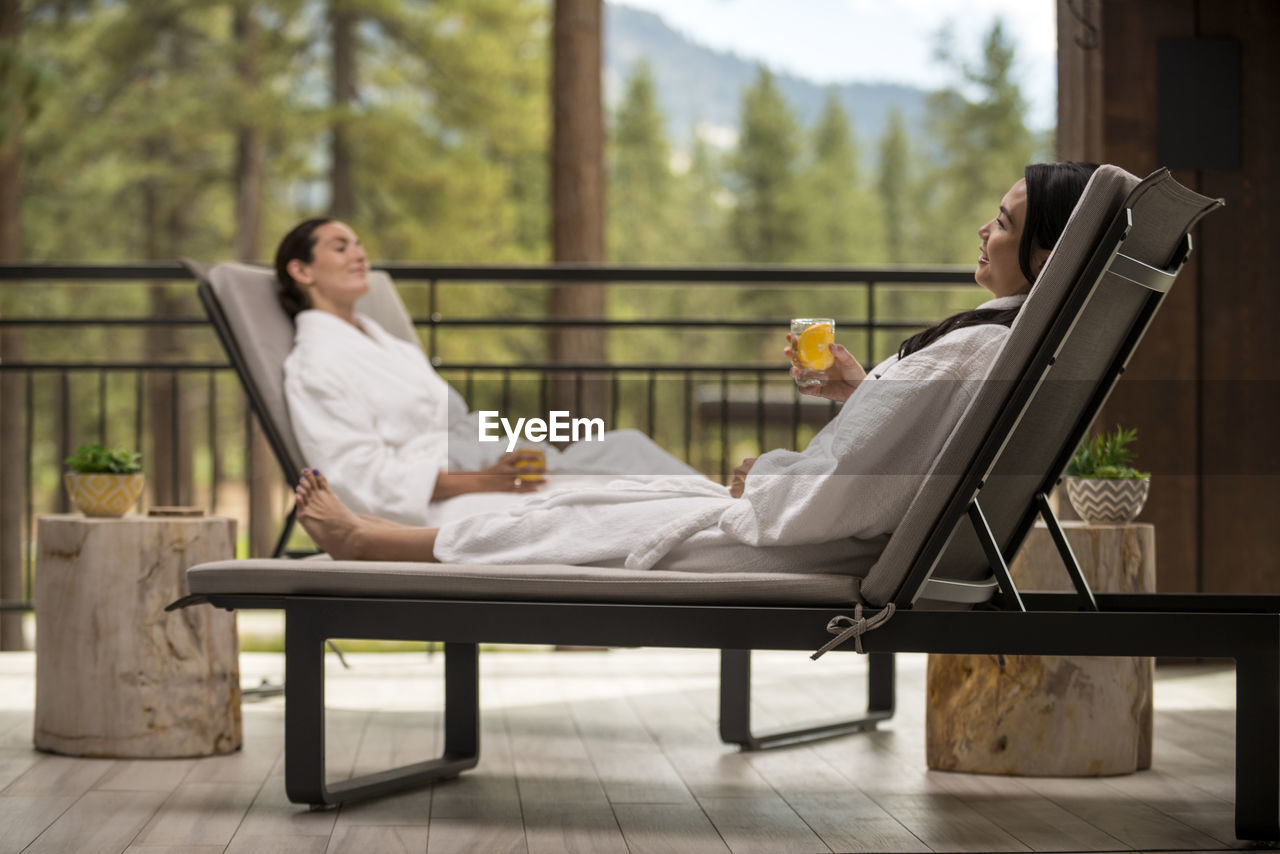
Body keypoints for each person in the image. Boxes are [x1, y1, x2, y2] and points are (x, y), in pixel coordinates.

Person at [292, 162, 1099, 572]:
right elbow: (887, 458)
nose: (984, 231)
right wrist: (857, 393)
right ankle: (386, 534)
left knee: (600, 493)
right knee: (607, 489)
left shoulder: (976, 349)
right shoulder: (1001, 343)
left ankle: (374, 542)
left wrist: (771, 481)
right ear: (299, 273)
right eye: (339, 246)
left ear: (1048, 253)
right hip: (818, 525)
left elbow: (829, 496)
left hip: (805, 534)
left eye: (1002, 223)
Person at [276, 219, 699, 525]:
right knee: (603, 501)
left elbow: (459, 424)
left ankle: (732, 509)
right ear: (302, 270)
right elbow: (359, 479)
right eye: (340, 246)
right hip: (432, 506)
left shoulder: (389, 345)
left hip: (481, 472)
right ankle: (721, 527)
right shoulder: (315, 364)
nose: (360, 254)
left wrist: (506, 458)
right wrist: (483, 481)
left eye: (359, 244)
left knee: (626, 448)